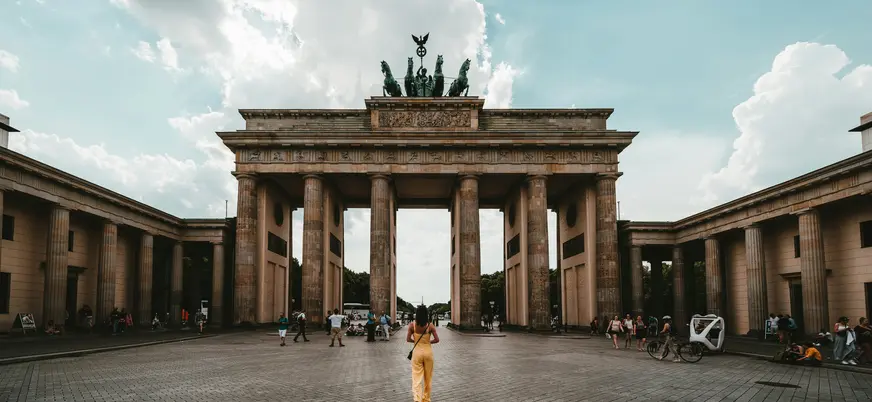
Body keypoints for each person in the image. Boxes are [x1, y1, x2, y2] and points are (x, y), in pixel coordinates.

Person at [407, 305, 440, 402]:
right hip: (428, 353)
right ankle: (426, 399)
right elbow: (437, 340)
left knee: (416, 377)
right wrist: (428, 342)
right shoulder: (430, 325)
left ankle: (417, 399)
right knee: (428, 378)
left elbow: (408, 339)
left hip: (417, 353)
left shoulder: (412, 325)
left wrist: (417, 341)